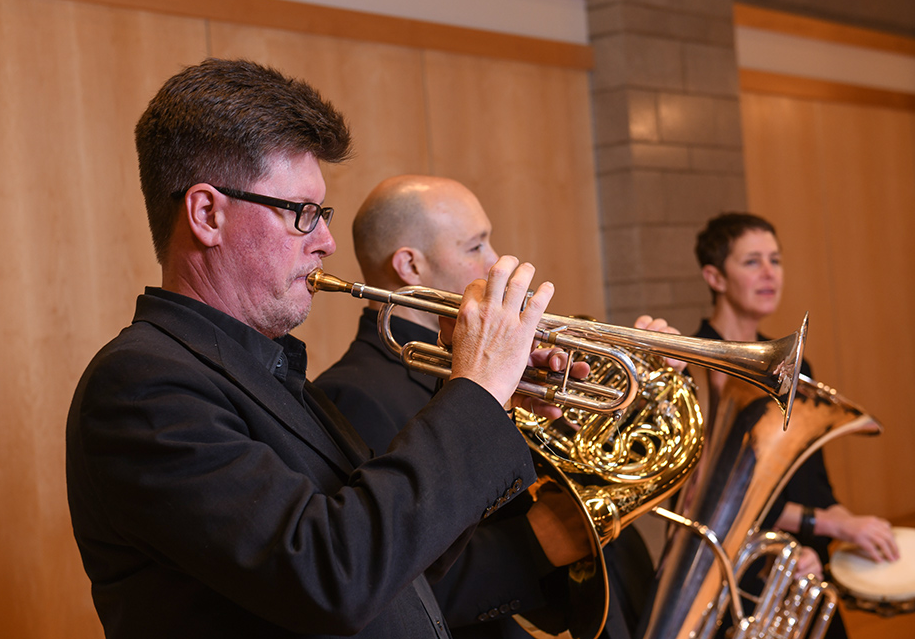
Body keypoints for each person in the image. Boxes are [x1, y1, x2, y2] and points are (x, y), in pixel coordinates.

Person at [66, 58, 589, 639]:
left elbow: (399, 559)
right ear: (207, 213)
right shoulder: (141, 387)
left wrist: (489, 401)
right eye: (302, 215)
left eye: (323, 215)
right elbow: (332, 575)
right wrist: (475, 395)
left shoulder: (272, 371)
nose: (327, 242)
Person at [315, 175, 666, 639]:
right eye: (474, 246)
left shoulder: (496, 364)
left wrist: (641, 396)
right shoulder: (353, 392)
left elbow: (584, 473)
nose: (492, 261)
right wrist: (536, 543)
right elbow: (396, 580)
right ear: (409, 266)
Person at [693, 212, 900, 639]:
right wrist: (830, 525)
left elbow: (813, 486)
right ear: (714, 277)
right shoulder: (694, 369)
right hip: (727, 575)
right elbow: (707, 499)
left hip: (798, 558)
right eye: (752, 262)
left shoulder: (795, 367)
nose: (770, 273)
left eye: (776, 259)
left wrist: (855, 529)